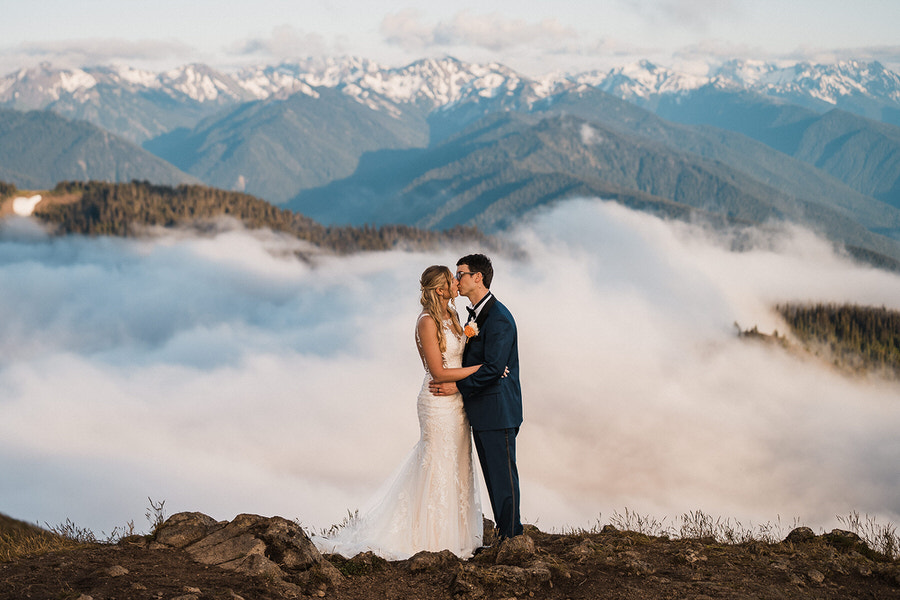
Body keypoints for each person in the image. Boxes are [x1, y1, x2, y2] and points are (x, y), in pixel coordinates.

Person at [312, 265, 483, 560]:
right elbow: (439, 372)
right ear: (440, 290)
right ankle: (430, 538)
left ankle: (456, 535)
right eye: (451, 280)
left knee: (458, 463)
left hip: (457, 402)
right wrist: (482, 370)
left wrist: (464, 383)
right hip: (437, 402)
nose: (457, 283)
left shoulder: (454, 316)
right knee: (437, 464)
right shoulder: (427, 322)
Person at [430, 253, 524, 541]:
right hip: (483, 410)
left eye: (460, 274)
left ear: (477, 277)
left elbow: (495, 368)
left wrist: (457, 387)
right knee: (493, 478)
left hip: (498, 410)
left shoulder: (499, 318)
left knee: (503, 478)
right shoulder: (475, 315)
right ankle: (503, 534)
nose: (456, 280)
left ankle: (512, 537)